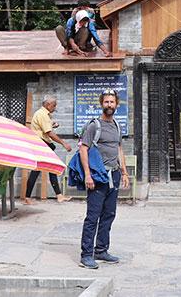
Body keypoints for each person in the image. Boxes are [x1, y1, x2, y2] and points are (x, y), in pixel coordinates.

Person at [77, 90, 128, 269]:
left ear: (117, 104)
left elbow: (119, 149)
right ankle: (86, 254)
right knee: (93, 216)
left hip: (113, 175)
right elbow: (84, 149)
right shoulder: (94, 126)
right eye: (106, 102)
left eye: (112, 102)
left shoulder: (117, 125)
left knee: (109, 214)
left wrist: (124, 172)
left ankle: (101, 250)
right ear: (101, 104)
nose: (109, 105)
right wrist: (88, 175)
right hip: (98, 176)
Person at [25, 96, 72, 204]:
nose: (55, 108)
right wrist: (64, 143)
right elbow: (49, 133)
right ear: (47, 105)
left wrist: (52, 125)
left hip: (42, 144)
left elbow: (46, 128)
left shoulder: (43, 114)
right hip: (41, 144)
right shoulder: (42, 114)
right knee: (38, 170)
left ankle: (59, 195)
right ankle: (27, 197)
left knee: (50, 168)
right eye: (53, 105)